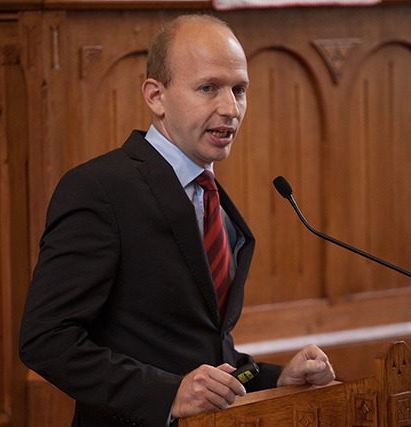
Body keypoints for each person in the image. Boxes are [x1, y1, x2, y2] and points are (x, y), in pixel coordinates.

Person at [19, 14, 335, 427]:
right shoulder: (99, 189)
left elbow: (206, 353)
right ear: (156, 97)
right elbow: (45, 339)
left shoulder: (213, 200)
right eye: (208, 88)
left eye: (239, 90)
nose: (230, 108)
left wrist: (277, 380)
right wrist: (167, 395)